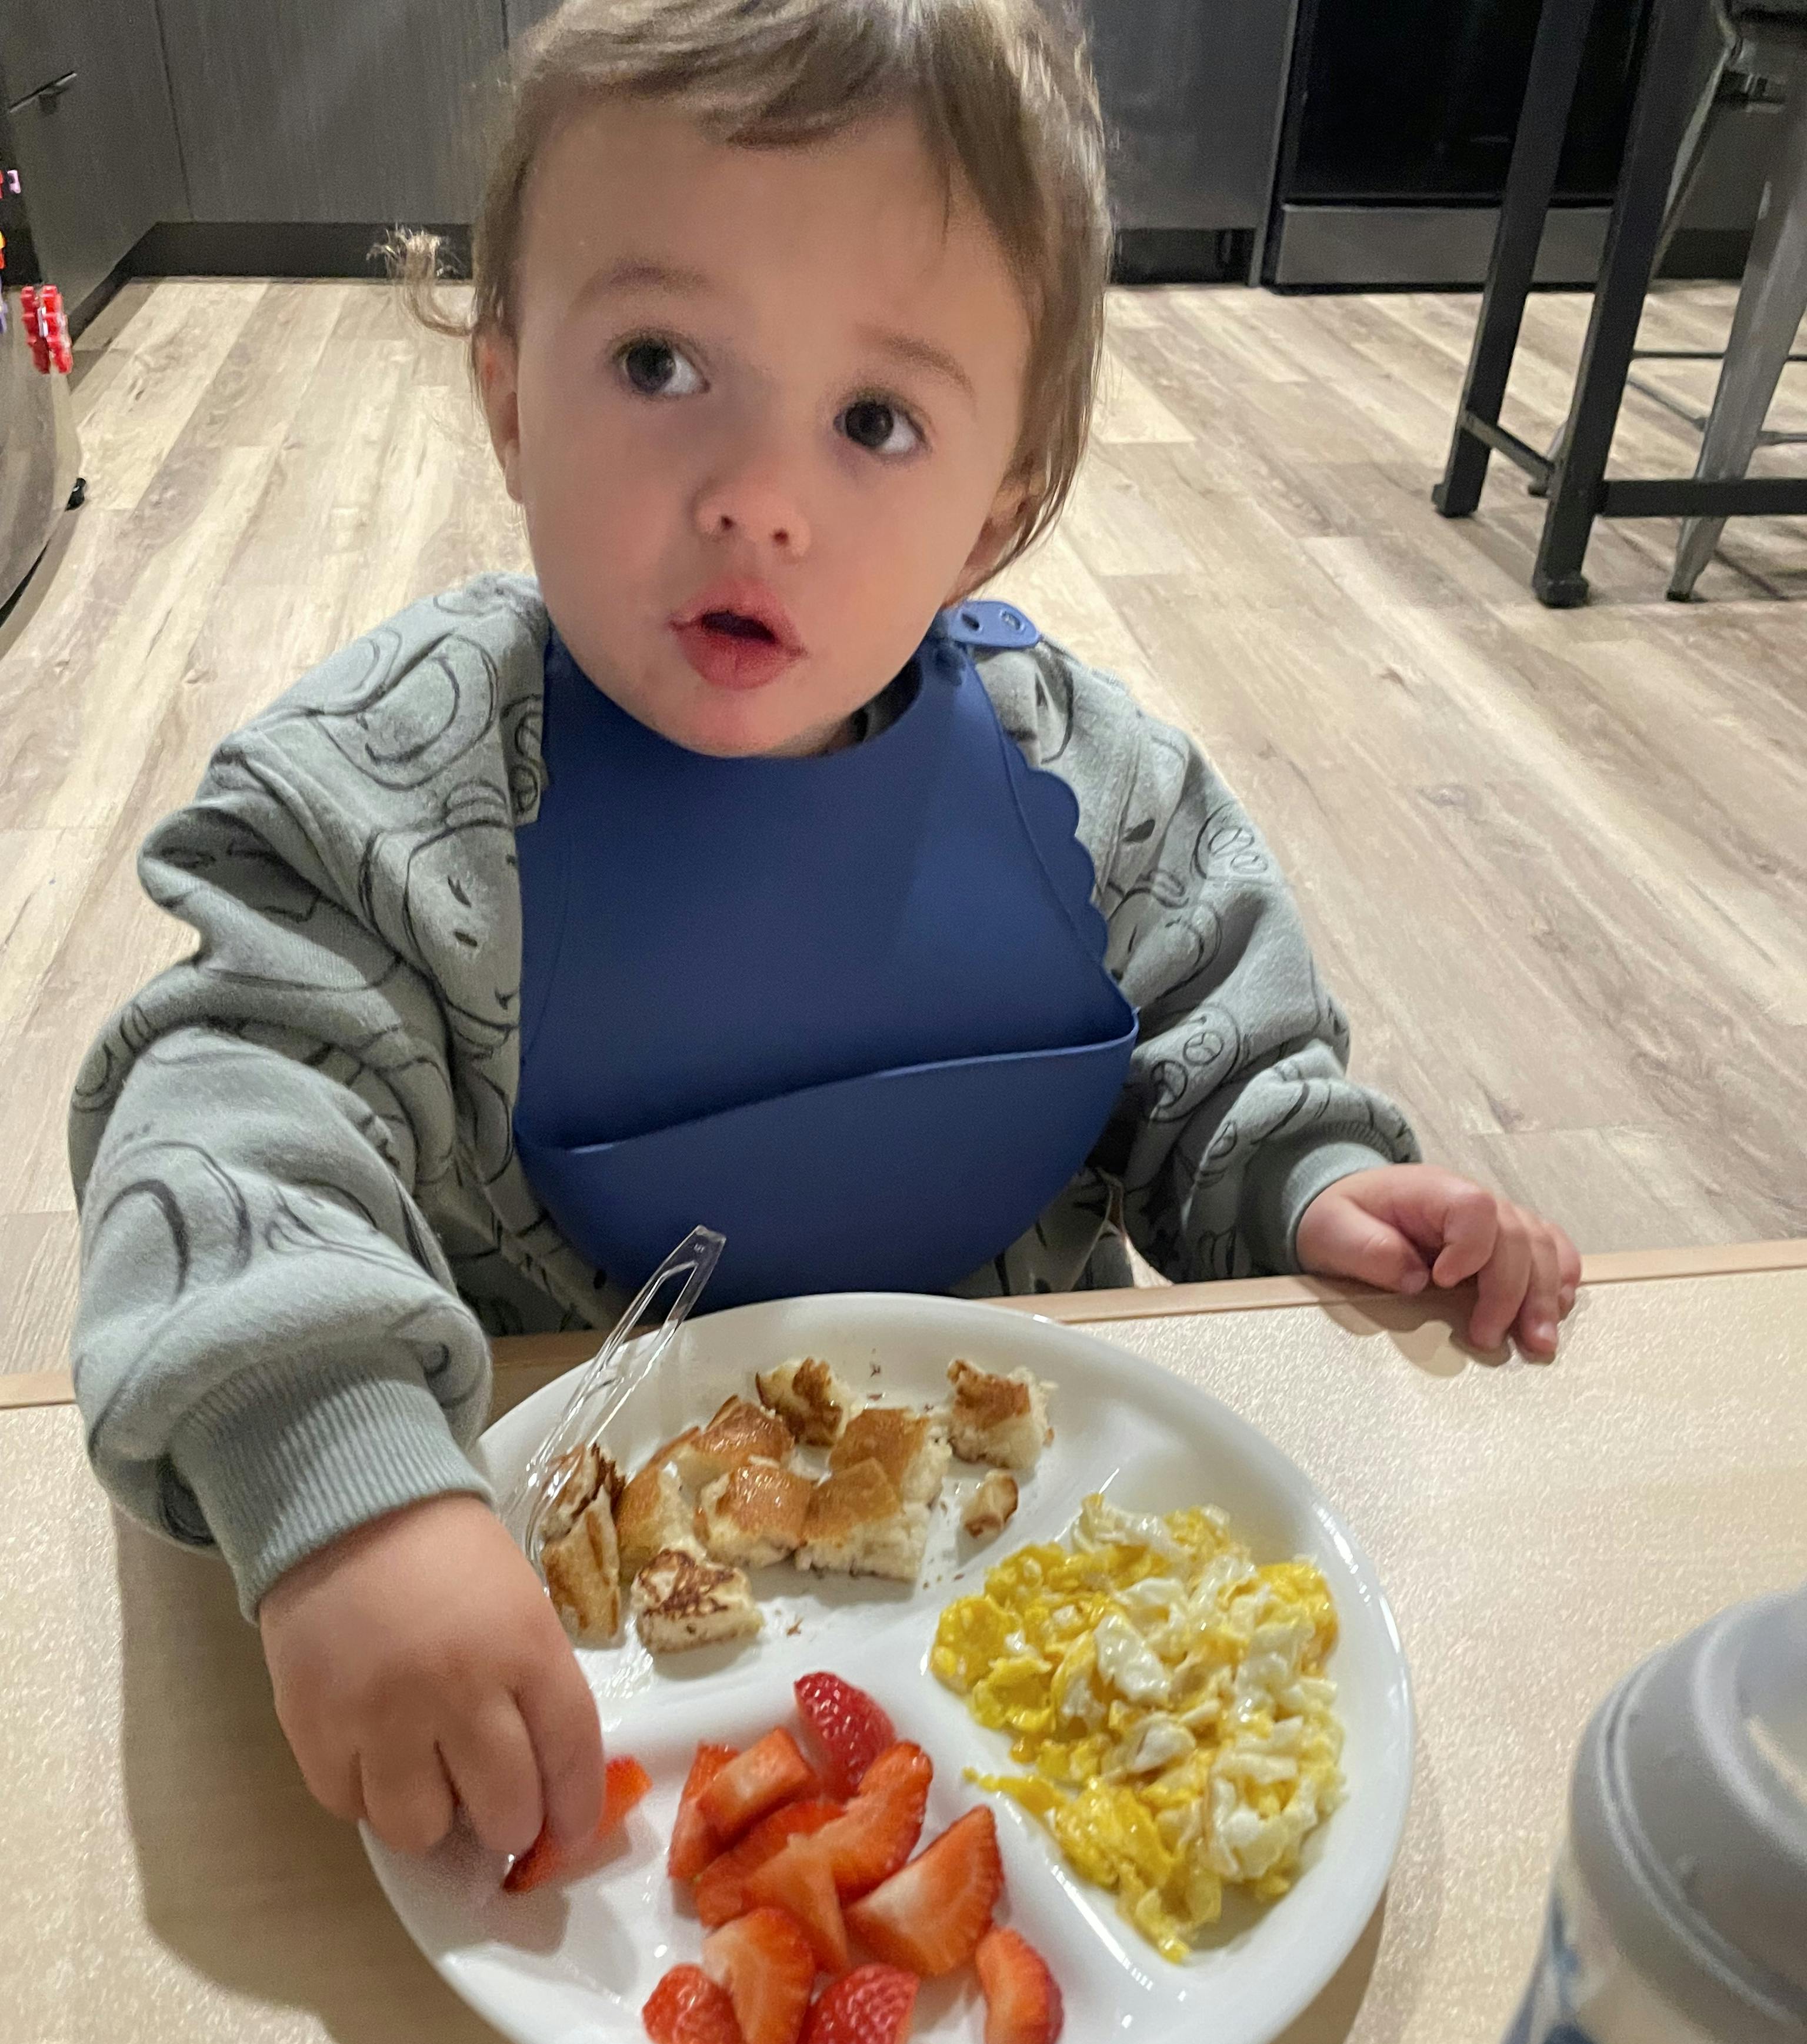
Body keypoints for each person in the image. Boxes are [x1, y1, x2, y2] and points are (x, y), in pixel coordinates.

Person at [68, 0, 1579, 1872]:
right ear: (509, 393)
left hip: (1017, 1609)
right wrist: (349, 1489)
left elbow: (1222, 1063)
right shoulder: (395, 802)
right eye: (659, 361)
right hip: (558, 1659)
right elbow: (220, 1136)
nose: (756, 499)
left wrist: (1313, 1181)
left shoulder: (1093, 794)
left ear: (995, 515)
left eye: (876, 420)